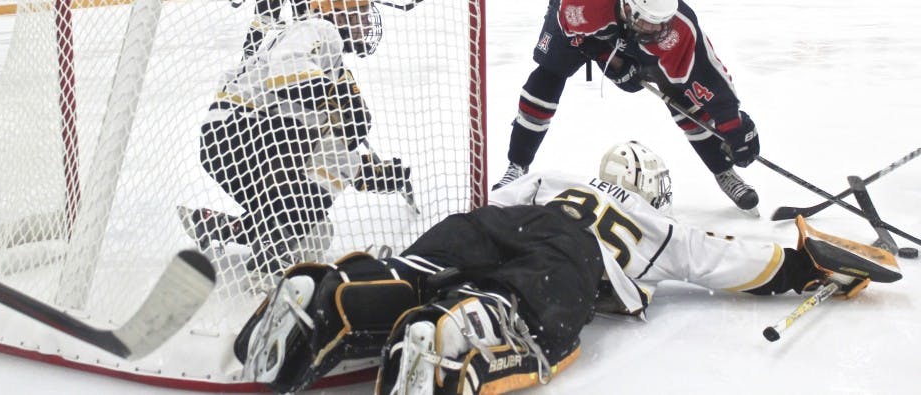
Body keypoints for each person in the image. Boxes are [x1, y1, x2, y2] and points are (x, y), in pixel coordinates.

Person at [237, 141, 901, 395]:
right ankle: (460, 331)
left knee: (416, 270)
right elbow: (731, 261)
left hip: (496, 220)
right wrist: (808, 264)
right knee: (531, 316)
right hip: (568, 251)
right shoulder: (656, 223)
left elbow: (500, 199)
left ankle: (328, 296)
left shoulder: (556, 174)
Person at [498, 0, 761, 212]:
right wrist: (609, 60)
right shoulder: (580, 3)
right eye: (650, 24)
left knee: (682, 94)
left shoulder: (676, 24)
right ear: (627, 7)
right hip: (589, 18)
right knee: (546, 78)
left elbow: (708, 75)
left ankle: (723, 171)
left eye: (662, 23)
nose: (659, 31)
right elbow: (576, 35)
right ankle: (517, 164)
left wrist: (733, 124)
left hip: (622, 5)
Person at [179, 0, 409, 276]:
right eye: (360, 14)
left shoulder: (323, 56)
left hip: (225, 141)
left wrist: (368, 172)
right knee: (306, 223)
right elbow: (286, 70)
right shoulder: (320, 30)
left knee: (314, 226)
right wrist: (335, 99)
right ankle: (267, 268)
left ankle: (221, 226)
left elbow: (327, 142)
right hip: (247, 131)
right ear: (339, 15)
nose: (366, 23)